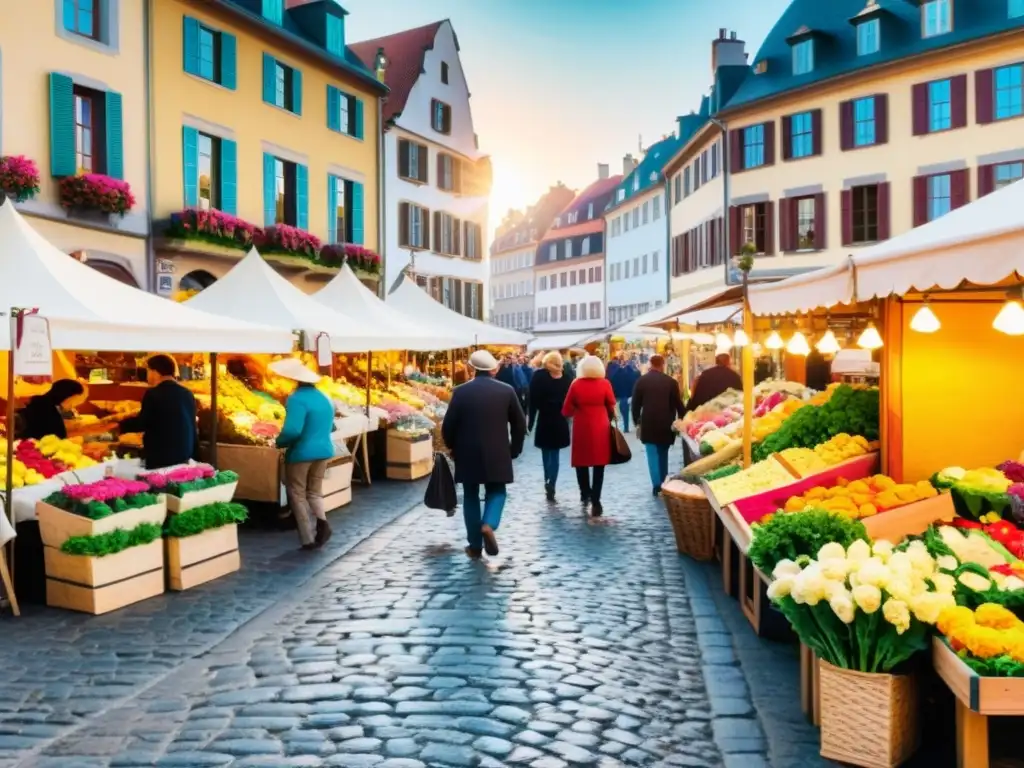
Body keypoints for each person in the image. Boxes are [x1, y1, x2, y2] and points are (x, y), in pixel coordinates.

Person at [441, 350, 527, 559]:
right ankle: (488, 524)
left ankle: (474, 545)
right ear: (494, 369)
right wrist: (514, 450)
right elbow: (519, 424)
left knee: (470, 496)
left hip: (467, 452)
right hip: (498, 452)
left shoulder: (460, 392)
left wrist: (452, 447)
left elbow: (448, 426)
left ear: (472, 368)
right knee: (497, 492)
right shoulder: (506, 391)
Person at [271, 358, 336, 550]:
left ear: (295, 380)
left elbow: (292, 431)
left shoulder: (296, 399)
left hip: (302, 453)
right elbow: (331, 426)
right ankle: (323, 524)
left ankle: (307, 538)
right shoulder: (324, 397)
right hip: (324, 450)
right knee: (314, 492)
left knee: (297, 493)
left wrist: (279, 442)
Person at [119, 355, 199, 470]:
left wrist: (120, 426)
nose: (147, 376)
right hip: (184, 455)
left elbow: (143, 423)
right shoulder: (187, 393)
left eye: (147, 371)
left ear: (155, 371)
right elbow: (192, 426)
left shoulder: (153, 394)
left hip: (162, 457)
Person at [561, 354, 616, 517]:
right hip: (601, 425)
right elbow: (611, 404)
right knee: (600, 464)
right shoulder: (605, 383)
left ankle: (585, 492)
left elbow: (566, 409)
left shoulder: (576, 384)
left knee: (581, 462)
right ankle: (596, 499)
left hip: (582, 426)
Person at [632, 355, 687, 495]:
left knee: (652, 454)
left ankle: (656, 484)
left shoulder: (641, 381)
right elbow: (677, 403)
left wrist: (637, 420)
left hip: (648, 423)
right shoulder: (671, 382)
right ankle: (664, 481)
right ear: (663, 365)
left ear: (650, 364)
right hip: (666, 423)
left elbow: (635, 404)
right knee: (663, 453)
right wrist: (683, 417)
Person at [528, 351, 572, 502]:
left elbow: (532, 400)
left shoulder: (539, 376)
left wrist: (530, 422)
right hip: (560, 419)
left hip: (545, 418)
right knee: (555, 454)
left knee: (546, 452)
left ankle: (548, 480)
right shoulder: (567, 378)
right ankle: (551, 482)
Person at [16, 379, 85, 440]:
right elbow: (59, 436)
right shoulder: (45, 408)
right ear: (65, 395)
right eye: (73, 400)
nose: (72, 405)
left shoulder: (43, 403)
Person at [611, 356, 641, 432]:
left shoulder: (616, 373)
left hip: (622, 396)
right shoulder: (633, 373)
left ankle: (626, 427)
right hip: (632, 395)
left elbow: (613, 382)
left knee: (624, 411)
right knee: (635, 410)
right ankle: (636, 424)